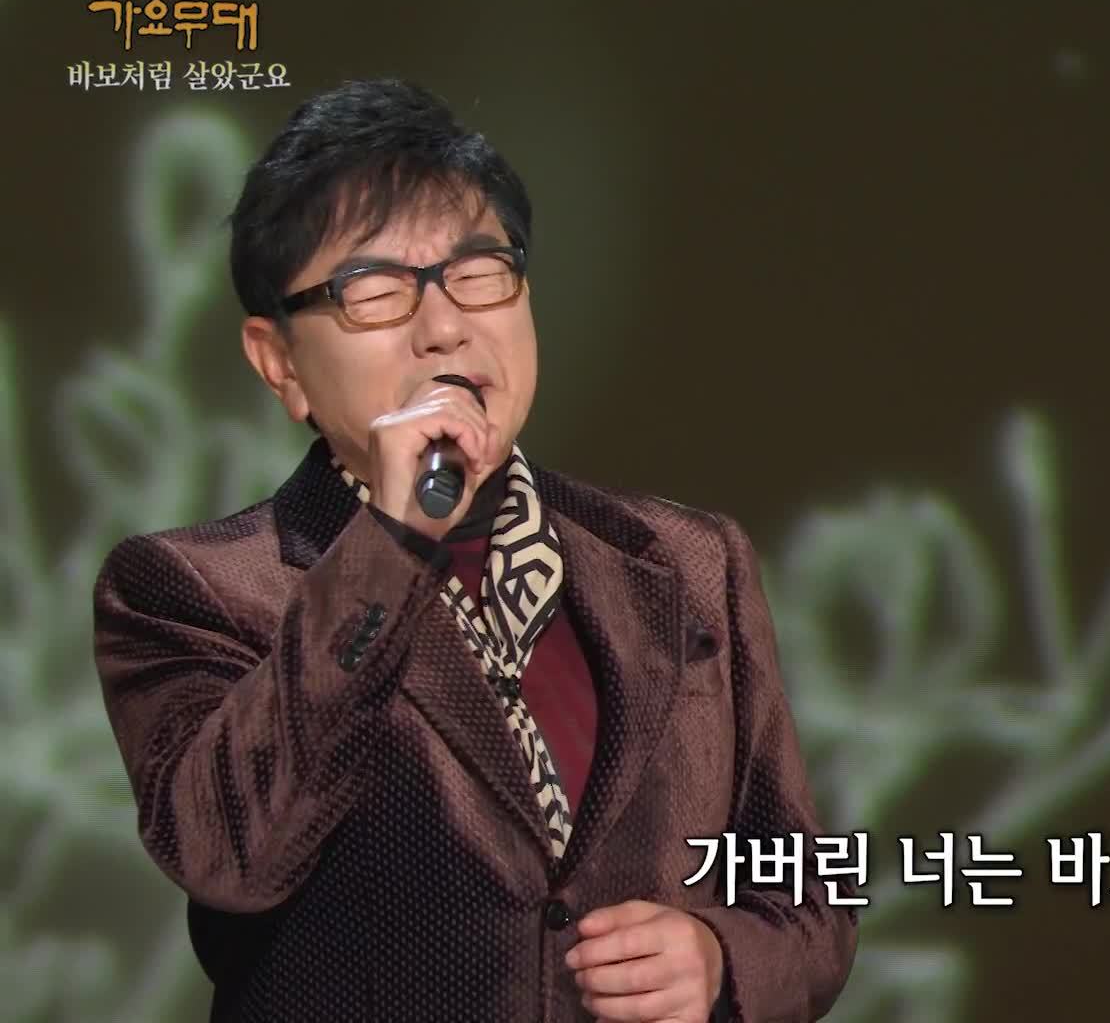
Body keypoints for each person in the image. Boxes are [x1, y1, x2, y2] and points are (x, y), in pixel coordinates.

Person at [90, 78, 856, 1022]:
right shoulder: (189, 588)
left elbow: (807, 895)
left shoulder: (690, 561)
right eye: (375, 293)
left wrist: (721, 958)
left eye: (479, 272)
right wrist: (395, 539)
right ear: (279, 363)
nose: (444, 326)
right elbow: (230, 852)